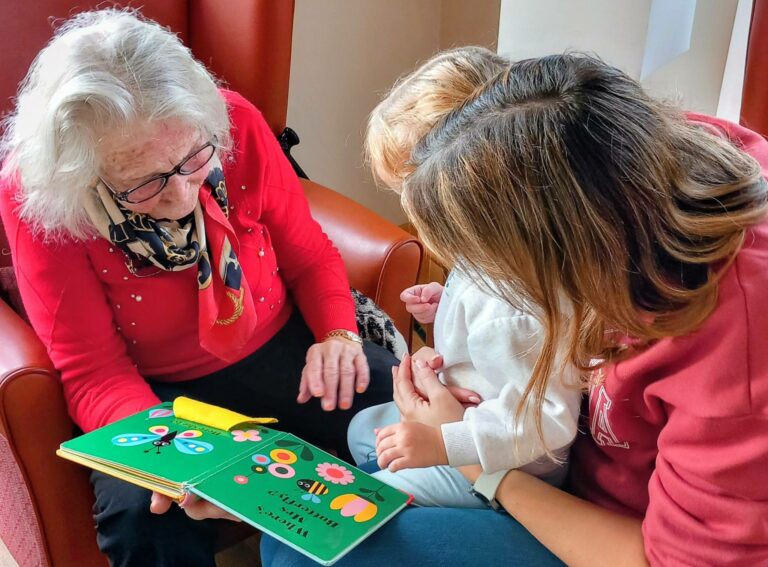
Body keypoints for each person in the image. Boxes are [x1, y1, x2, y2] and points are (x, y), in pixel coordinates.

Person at [254, 52, 768, 565]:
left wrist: (472, 458)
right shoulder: (627, 156)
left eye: (486, 266)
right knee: (288, 525)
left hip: (602, 530)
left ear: (559, 248)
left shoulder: (737, 352)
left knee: (308, 549)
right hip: (530, 454)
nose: (484, 287)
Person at [0, 9, 397, 567]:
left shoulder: (234, 122)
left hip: (281, 343)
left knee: (403, 414)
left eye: (194, 159)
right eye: (145, 183)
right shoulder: (38, 196)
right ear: (81, 171)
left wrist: (337, 333)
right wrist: (180, 464)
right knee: (145, 512)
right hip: (150, 390)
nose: (185, 196)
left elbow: (309, 255)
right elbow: (93, 370)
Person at [346, 47, 582, 508]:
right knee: (361, 431)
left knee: (369, 502)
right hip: (464, 415)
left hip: (500, 459)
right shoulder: (496, 248)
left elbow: (545, 423)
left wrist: (443, 444)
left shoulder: (516, 308)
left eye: (413, 193)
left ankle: (477, 519)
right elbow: (485, 313)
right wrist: (447, 301)